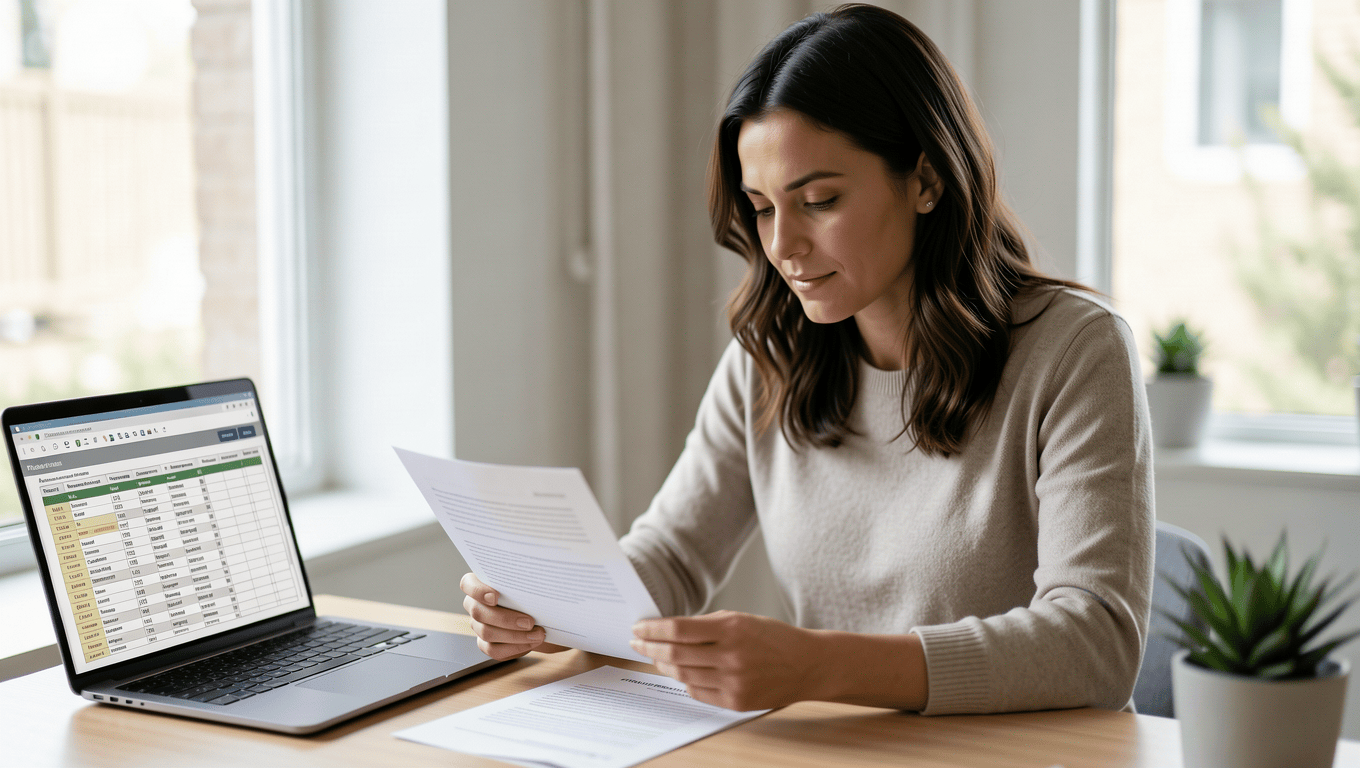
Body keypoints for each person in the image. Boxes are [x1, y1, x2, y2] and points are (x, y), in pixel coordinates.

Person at [460, 3, 1153, 715]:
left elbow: (1094, 643)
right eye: (761, 208)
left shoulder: (1075, 351)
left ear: (926, 180)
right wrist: (550, 602)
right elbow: (672, 555)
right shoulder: (771, 356)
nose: (782, 245)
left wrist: (817, 665)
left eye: (818, 199)